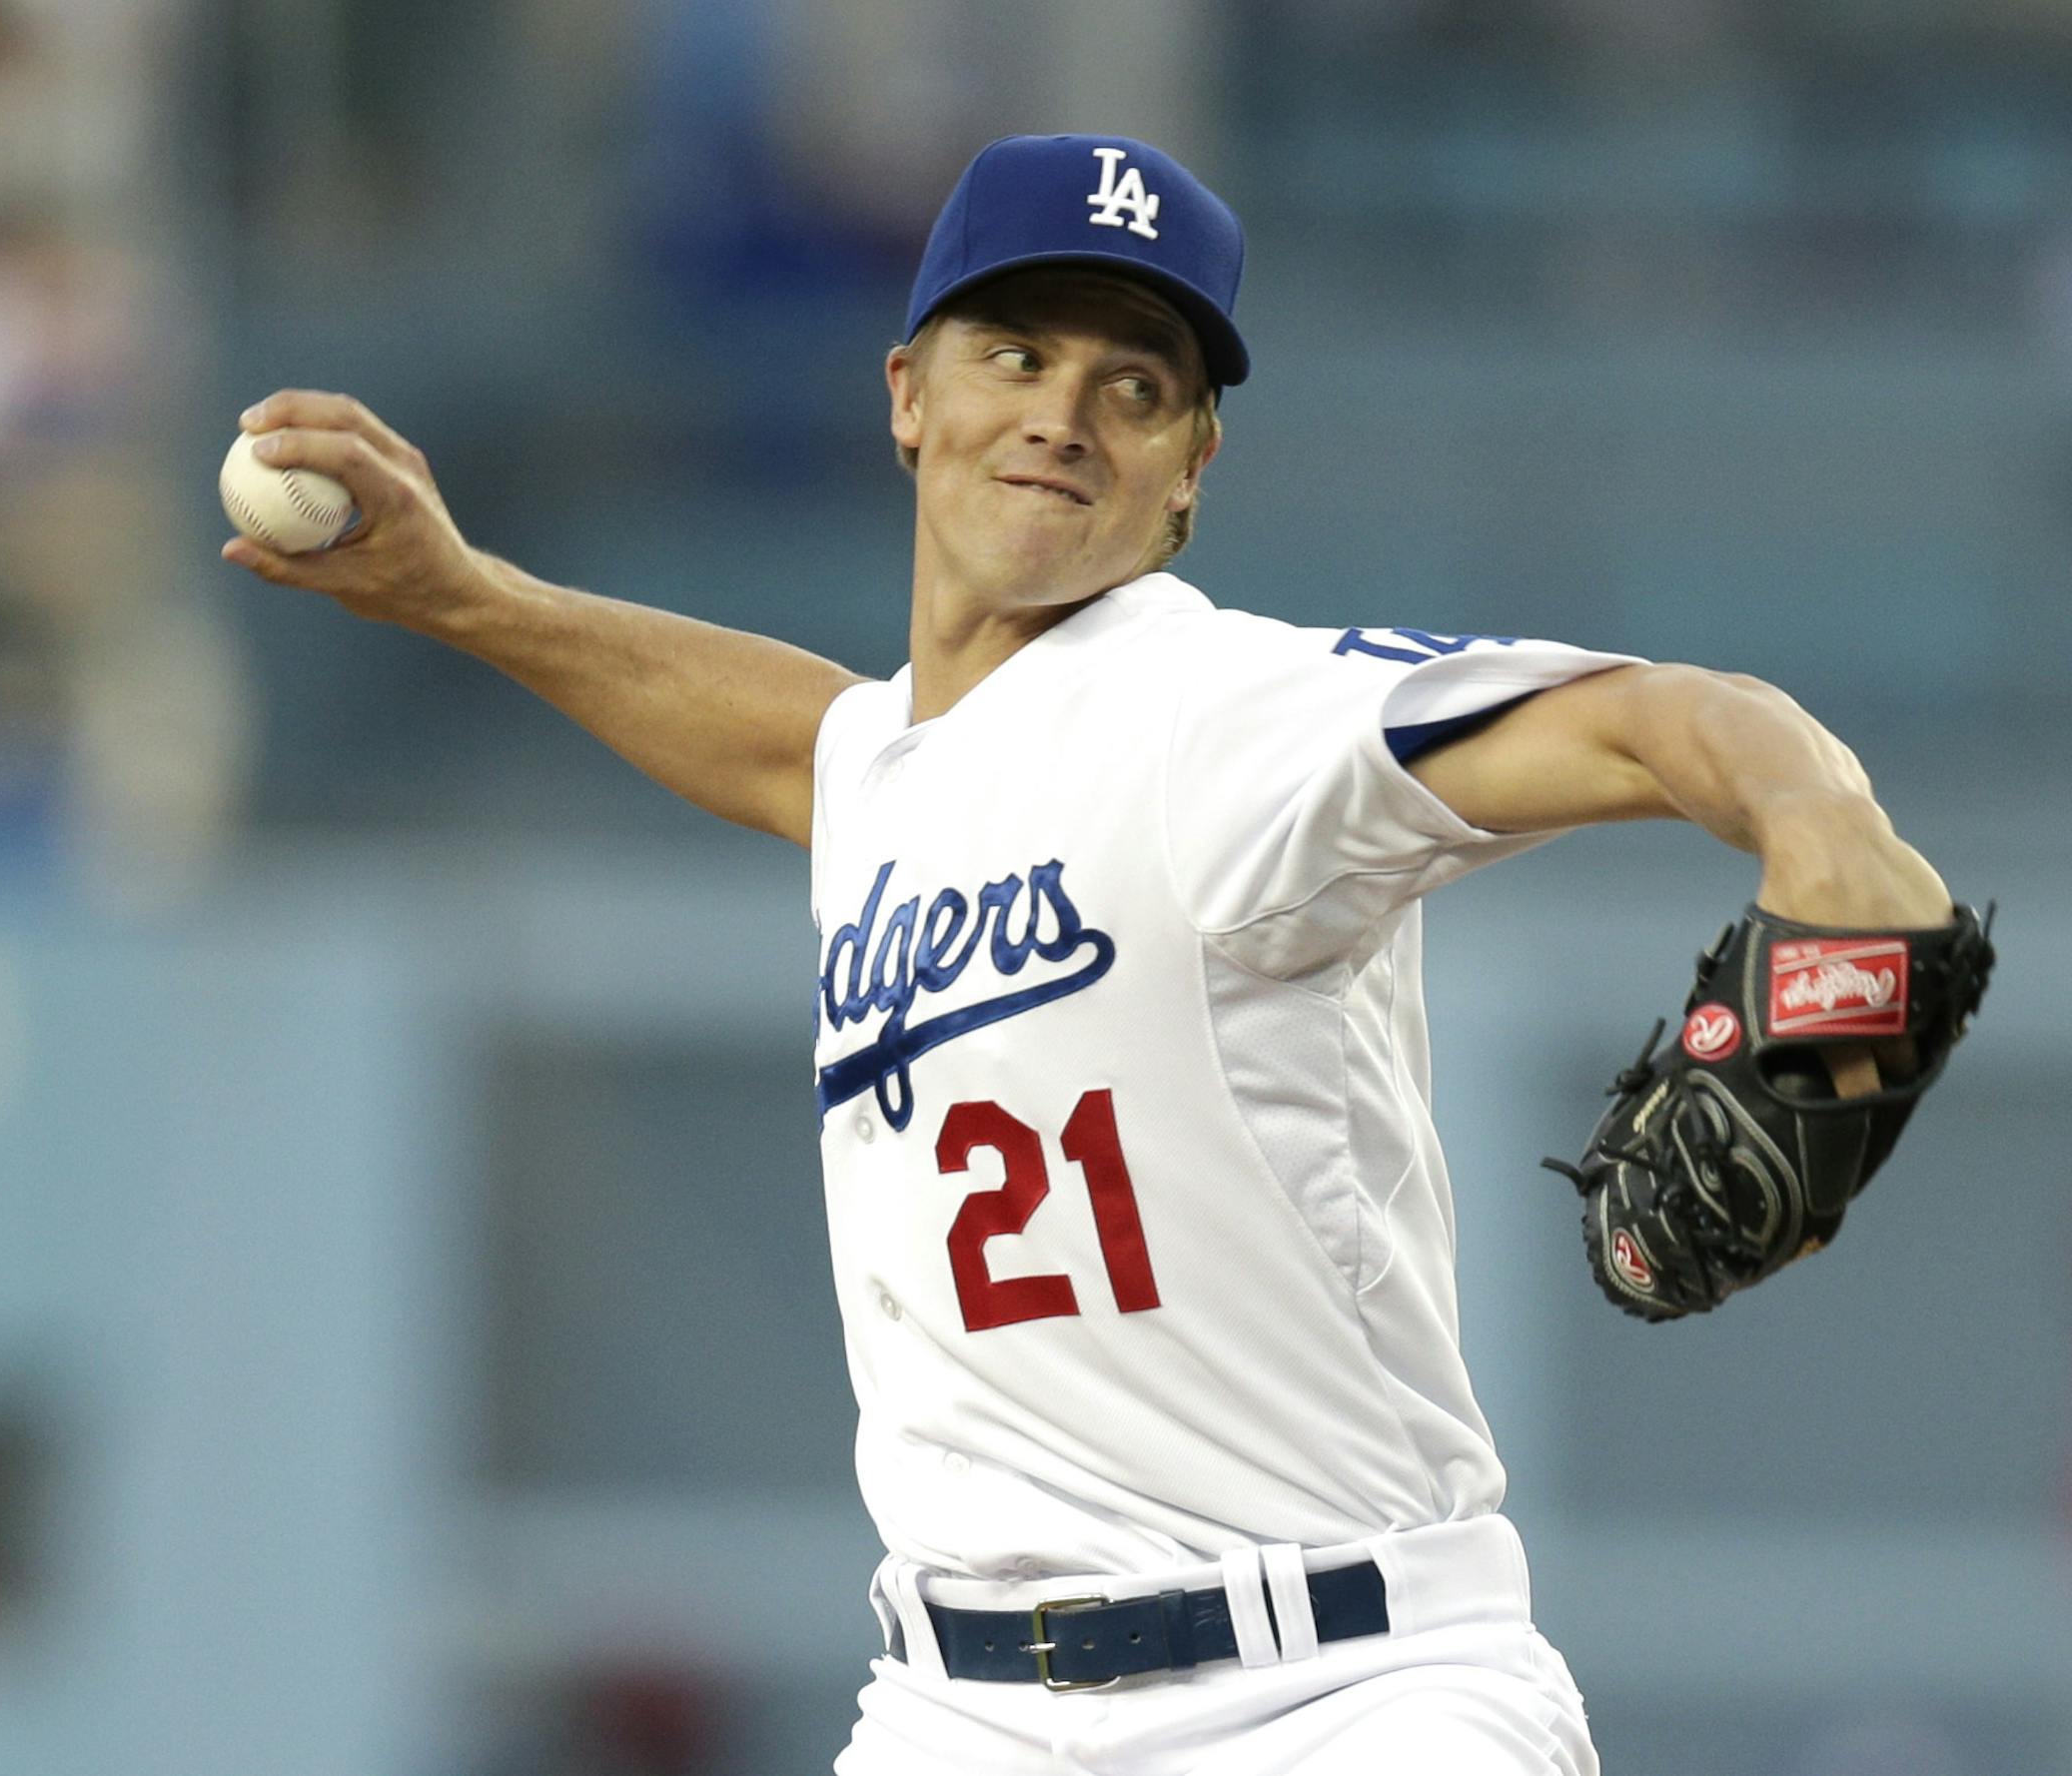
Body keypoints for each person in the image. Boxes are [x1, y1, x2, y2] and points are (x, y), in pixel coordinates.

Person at [225, 134, 1954, 1776]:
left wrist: (1823, 826)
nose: (1063, 416)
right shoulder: (900, 766)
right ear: (908, 394)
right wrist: (463, 596)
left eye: (1135, 386)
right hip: (959, 1707)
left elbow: (1659, 721)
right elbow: (797, 744)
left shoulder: (1229, 721)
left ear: (1193, 470)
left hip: (1341, 1694)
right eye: (1016, 353)